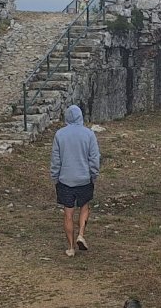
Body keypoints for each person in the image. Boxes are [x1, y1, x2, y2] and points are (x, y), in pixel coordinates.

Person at [50, 104, 100, 257]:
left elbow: (55, 159)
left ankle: (71, 247)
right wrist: (94, 175)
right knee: (84, 207)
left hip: (65, 180)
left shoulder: (59, 134)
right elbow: (94, 158)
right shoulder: (89, 134)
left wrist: (55, 176)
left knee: (68, 214)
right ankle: (81, 234)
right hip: (84, 179)